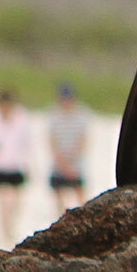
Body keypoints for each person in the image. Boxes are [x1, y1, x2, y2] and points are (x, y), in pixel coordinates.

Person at [0, 90, 32, 240]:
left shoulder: (21, 118)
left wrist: (27, 165)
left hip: (16, 166)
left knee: (16, 204)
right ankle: (6, 235)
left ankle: (9, 230)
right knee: (3, 204)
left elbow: (26, 144)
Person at [47, 83, 90, 214]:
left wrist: (72, 160)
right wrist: (61, 161)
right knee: (59, 195)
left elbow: (83, 140)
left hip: (75, 163)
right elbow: (51, 140)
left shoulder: (82, 115)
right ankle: (59, 216)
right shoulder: (54, 115)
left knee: (79, 192)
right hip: (59, 163)